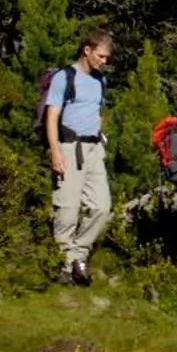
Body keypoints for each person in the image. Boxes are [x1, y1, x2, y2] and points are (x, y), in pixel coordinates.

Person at [45, 30, 114, 286]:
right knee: (67, 209)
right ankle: (65, 267)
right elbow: (52, 116)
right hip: (69, 147)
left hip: (94, 149)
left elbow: (99, 111)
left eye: (107, 58)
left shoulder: (100, 80)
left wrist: (100, 134)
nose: (104, 61)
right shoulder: (65, 77)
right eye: (101, 56)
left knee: (101, 207)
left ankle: (77, 255)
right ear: (87, 50)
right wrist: (55, 151)